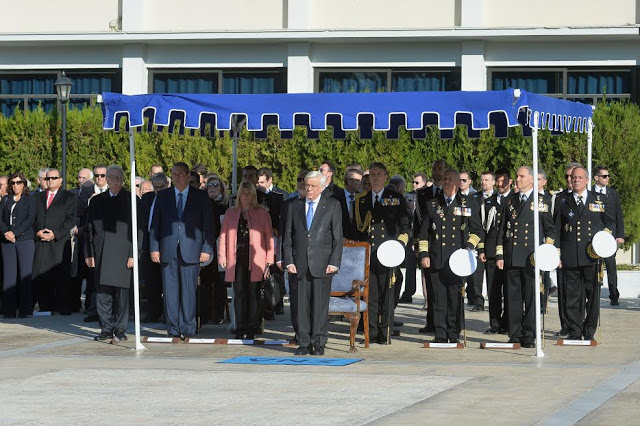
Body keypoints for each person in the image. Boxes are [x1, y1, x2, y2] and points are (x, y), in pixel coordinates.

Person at [150, 163, 214, 339]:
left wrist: (207, 249)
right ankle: (173, 328)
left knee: (188, 291)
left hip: (192, 250)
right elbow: (155, 224)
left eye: (179, 174)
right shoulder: (163, 196)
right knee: (170, 292)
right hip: (167, 249)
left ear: (188, 176)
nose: (176, 177)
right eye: (173, 174)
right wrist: (154, 248)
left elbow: (208, 225)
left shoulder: (200, 197)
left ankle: (188, 327)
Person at [418, 168, 482, 344]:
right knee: (438, 299)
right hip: (436, 258)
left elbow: (477, 231)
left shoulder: (468, 203)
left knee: (455, 298)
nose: (446, 182)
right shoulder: (432, 204)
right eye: (444, 179)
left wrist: (468, 248)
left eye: (450, 179)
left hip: (457, 261)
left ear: (457, 183)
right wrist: (424, 254)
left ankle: (453, 333)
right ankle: (440, 334)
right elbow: (423, 234)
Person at [283, 171, 342, 355]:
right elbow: (287, 237)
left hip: (322, 264)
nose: (308, 188)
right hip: (299, 264)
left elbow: (337, 237)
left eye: (313, 186)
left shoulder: (332, 205)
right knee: (300, 306)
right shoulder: (294, 206)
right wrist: (288, 261)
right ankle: (303, 342)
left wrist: (334, 261)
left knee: (319, 306)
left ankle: (318, 343)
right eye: (307, 185)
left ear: (322, 187)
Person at [496, 166, 555, 348]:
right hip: (512, 255)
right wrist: (500, 254)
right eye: (517, 176)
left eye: (521, 176)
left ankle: (529, 334)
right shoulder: (509, 201)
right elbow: (502, 229)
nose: (518, 179)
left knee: (531, 297)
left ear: (531, 179)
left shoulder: (542, 201)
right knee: (512, 297)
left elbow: (550, 230)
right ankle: (514, 333)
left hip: (531, 257)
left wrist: (547, 250)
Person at [554, 166, 613, 341]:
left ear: (587, 180)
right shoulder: (562, 200)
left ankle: (589, 331)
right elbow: (557, 228)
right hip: (570, 255)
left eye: (580, 177)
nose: (576, 180)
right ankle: (575, 330)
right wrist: (557, 253)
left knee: (592, 295)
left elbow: (610, 222)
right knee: (572, 296)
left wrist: (604, 242)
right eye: (573, 177)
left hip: (591, 255)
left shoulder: (598, 199)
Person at [354, 162, 410, 344]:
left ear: (386, 176)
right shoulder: (361, 199)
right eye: (373, 174)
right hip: (368, 254)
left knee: (387, 295)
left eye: (379, 174)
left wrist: (400, 245)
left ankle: (385, 332)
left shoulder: (396, 198)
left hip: (388, 253)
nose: (376, 177)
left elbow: (405, 226)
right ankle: (370, 333)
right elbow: (356, 229)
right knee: (370, 296)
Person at [85, 166, 138, 343]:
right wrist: (89, 253)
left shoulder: (131, 199)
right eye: (111, 177)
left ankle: (120, 329)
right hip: (101, 252)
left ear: (123, 179)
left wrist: (134, 254)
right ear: (106, 179)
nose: (115, 180)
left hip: (124, 253)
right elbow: (89, 229)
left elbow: (139, 230)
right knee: (102, 294)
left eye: (118, 177)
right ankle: (106, 328)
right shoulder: (96, 201)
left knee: (122, 296)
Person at [218, 181, 274, 339]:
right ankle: (239, 326)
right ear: (239, 195)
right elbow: (223, 236)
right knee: (239, 293)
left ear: (254, 196)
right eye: (243, 193)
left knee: (253, 293)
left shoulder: (262, 213)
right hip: (236, 259)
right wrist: (222, 256)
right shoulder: (230, 213)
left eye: (249, 193)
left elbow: (269, 238)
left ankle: (252, 326)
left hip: (256, 259)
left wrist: (269, 260)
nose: (246, 196)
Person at [32, 168, 77, 314]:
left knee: (60, 276)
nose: (50, 180)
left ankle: (62, 307)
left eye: (53, 178)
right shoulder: (37, 197)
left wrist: (55, 234)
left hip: (58, 243)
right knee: (41, 275)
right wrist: (37, 231)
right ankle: (46, 306)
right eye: (47, 178)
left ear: (60, 180)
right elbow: (32, 217)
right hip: (41, 242)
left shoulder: (69, 197)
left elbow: (70, 219)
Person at [415, 159, 446, 334]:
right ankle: (431, 322)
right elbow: (418, 221)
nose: (437, 171)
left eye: (440, 168)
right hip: (428, 244)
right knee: (431, 285)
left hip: (445, 244)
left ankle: (449, 322)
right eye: (435, 168)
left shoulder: (449, 192)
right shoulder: (422, 193)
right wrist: (417, 244)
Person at [473, 172, 506, 333]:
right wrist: (481, 249)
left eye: (487, 180)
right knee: (493, 291)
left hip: (510, 252)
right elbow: (481, 228)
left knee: (509, 291)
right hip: (491, 252)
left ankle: (508, 323)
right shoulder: (486, 203)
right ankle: (495, 323)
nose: (500, 184)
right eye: (482, 180)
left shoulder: (511, 200)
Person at [278, 169, 308, 344]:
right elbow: (284, 234)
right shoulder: (289, 203)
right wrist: (283, 257)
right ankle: (298, 333)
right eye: (299, 180)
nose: (302, 183)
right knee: (296, 299)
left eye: (305, 180)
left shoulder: (324, 203)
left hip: (313, 258)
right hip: (294, 257)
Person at [0, 173, 36, 318]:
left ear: (24, 184)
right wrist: (6, 233)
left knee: (24, 276)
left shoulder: (30, 199)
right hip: (7, 241)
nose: (15, 185)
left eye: (18, 182)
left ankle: (25, 310)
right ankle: (8, 310)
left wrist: (15, 233)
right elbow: (0, 218)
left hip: (24, 240)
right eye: (13, 183)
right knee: (9, 276)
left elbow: (30, 219)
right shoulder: (6, 199)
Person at [78, 165, 109, 322]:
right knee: (92, 278)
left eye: (102, 175)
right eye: (97, 175)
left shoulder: (113, 192)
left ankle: (106, 312)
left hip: (110, 239)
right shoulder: (86, 191)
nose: (99, 178)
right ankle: (92, 310)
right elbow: (80, 213)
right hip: (93, 238)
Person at [553, 162, 582, 337]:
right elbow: (555, 225)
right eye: (567, 177)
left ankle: (577, 324)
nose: (570, 180)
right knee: (563, 290)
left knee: (578, 292)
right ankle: (565, 324)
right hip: (564, 251)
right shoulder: (560, 198)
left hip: (581, 253)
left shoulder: (587, 198)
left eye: (573, 176)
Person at [139, 172, 170, 323]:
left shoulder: (172, 198)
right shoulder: (147, 199)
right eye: (155, 187)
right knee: (151, 282)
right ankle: (153, 311)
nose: (158, 190)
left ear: (167, 185)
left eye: (161, 187)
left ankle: (168, 313)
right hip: (149, 247)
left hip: (167, 246)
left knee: (168, 282)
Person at [593, 165, 625, 306]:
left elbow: (619, 215)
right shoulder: (590, 193)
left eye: (608, 176)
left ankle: (614, 295)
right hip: (594, 233)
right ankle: (593, 294)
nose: (607, 178)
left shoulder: (613, 193)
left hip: (610, 233)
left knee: (610, 265)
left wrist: (620, 235)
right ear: (596, 178)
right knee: (593, 265)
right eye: (604, 176)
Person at [331, 168, 362, 241]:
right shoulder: (335, 199)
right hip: (340, 243)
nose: (361, 184)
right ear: (349, 181)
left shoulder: (363, 199)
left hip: (360, 244)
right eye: (358, 180)